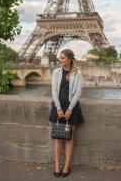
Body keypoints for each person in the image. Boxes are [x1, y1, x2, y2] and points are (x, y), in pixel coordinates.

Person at [49, 49, 84, 177]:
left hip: (72, 108)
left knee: (69, 138)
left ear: (69, 59)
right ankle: (57, 165)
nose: (60, 59)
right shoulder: (56, 72)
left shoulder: (78, 73)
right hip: (58, 107)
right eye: (60, 57)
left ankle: (67, 166)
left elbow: (78, 93)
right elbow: (53, 90)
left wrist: (69, 109)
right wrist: (58, 108)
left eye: (63, 58)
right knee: (57, 138)